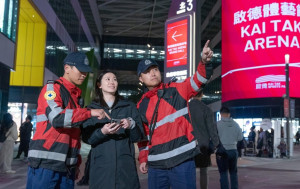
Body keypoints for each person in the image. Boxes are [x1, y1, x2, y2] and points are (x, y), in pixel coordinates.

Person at [26, 52, 110, 189]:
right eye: (80, 70)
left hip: (67, 167)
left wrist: (76, 163)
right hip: (46, 163)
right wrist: (89, 113)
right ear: (67, 68)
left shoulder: (75, 98)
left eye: (86, 71)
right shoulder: (52, 89)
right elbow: (57, 118)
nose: (84, 74)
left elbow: (73, 135)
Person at [137, 40, 214, 189]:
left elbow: (198, 80)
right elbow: (143, 137)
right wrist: (143, 159)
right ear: (141, 78)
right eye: (147, 71)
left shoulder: (177, 89)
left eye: (155, 69)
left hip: (182, 161)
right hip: (156, 165)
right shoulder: (141, 105)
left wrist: (203, 62)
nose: (152, 73)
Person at [82, 71, 144, 189]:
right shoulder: (91, 109)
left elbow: (138, 137)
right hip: (101, 169)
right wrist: (102, 132)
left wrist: (131, 124)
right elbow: (87, 138)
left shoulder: (129, 107)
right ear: (99, 85)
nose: (112, 82)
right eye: (108, 79)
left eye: (114, 79)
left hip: (125, 168)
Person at [189, 90, 220, 189]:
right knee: (203, 171)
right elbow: (211, 129)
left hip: (186, 145)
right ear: (202, 94)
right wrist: (216, 143)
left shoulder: (185, 108)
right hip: (203, 145)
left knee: (189, 171)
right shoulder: (206, 109)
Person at [216, 106, 243, 189]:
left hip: (222, 151)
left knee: (223, 173)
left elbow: (214, 138)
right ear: (229, 114)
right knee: (233, 173)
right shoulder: (236, 124)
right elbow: (240, 138)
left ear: (221, 114)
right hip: (233, 151)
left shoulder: (217, 124)